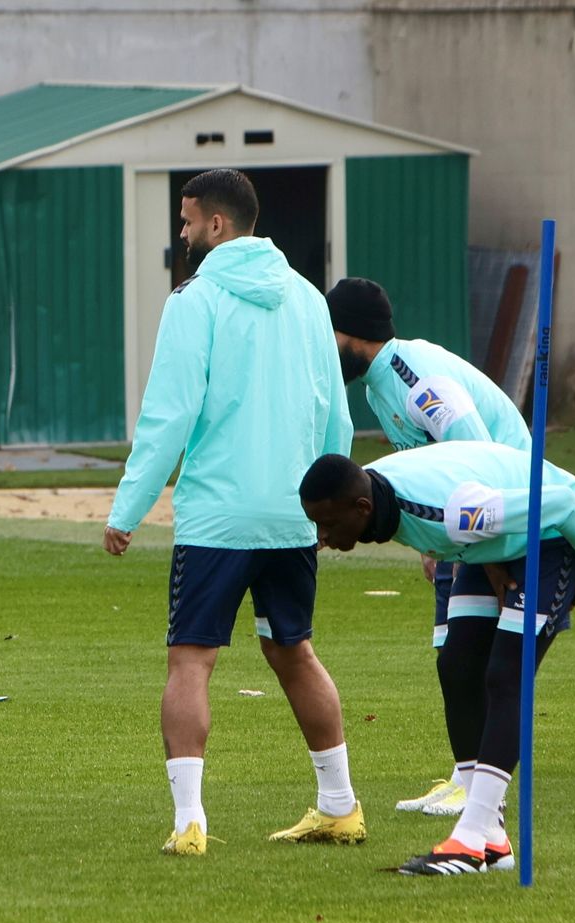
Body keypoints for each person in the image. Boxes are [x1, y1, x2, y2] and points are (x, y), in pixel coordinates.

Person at [104, 168, 357, 857]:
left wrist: (127, 508)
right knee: (293, 649)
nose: (181, 234)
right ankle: (340, 804)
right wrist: (334, 513)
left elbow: (168, 415)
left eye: (186, 222)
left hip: (218, 518)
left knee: (191, 660)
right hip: (293, 516)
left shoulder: (195, 301)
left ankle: (190, 819)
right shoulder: (308, 299)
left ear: (216, 225)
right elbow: (335, 411)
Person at [300, 442, 575, 875]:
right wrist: (491, 559)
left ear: (362, 507)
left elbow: (563, 503)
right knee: (458, 665)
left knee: (506, 675)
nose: (323, 538)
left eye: (327, 524)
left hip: (557, 534)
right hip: (495, 542)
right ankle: (493, 841)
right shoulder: (374, 492)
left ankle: (469, 837)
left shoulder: (453, 514)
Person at [329, 276, 532, 815]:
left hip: (507, 517)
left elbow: (481, 456)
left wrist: (490, 552)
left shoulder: (414, 377)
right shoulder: (377, 383)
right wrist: (435, 545)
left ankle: (483, 794)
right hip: (466, 529)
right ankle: (466, 779)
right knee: (454, 659)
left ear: (353, 335)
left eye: (329, 334)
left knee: (481, 660)